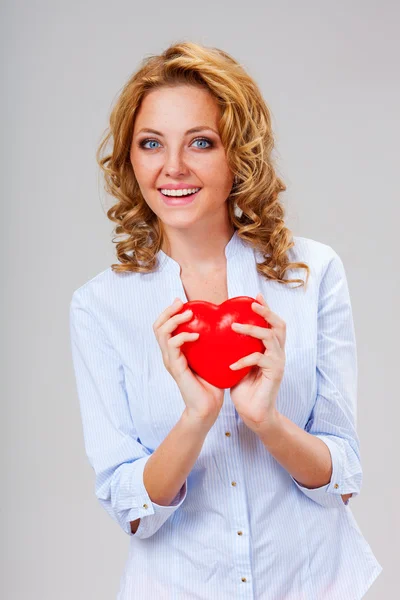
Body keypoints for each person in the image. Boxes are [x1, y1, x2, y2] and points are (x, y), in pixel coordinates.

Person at [69, 41, 383, 599]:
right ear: (129, 158)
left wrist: (267, 422)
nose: (172, 168)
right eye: (150, 144)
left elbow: (343, 479)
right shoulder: (100, 307)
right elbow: (132, 509)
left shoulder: (312, 274)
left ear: (239, 152)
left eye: (201, 142)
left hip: (312, 584)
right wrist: (198, 415)